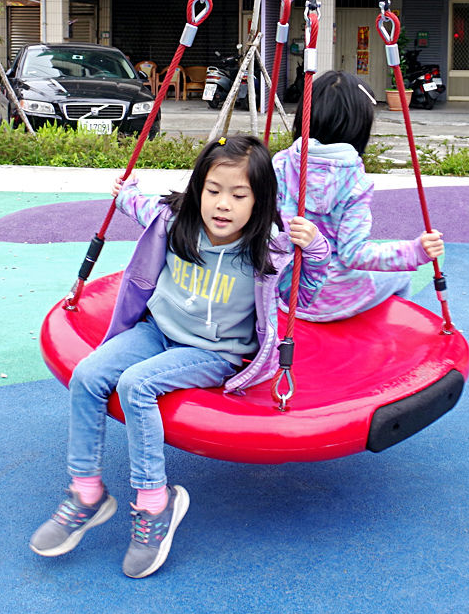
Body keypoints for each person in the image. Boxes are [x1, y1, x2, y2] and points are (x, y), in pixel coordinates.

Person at [30, 134, 328, 578]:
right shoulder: (176, 222)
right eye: (213, 191)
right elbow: (143, 209)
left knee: (137, 385)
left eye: (238, 194)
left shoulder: (269, 247)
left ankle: (156, 502)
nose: (222, 204)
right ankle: (87, 492)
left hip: (217, 351)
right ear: (198, 190)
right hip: (158, 332)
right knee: (89, 374)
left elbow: (306, 293)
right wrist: (125, 194)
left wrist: (316, 249)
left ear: (260, 200)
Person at [273, 70, 444, 321]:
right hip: (335, 299)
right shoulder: (354, 182)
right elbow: (354, 254)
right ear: (359, 127)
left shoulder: (280, 164)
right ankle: (381, 334)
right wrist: (415, 251)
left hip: (286, 292)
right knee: (401, 277)